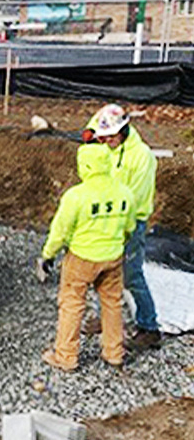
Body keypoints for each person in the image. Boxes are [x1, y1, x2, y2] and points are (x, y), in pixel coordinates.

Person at [37, 144, 137, 371]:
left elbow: (60, 231)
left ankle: (66, 356)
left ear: (85, 166)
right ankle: (114, 353)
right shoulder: (124, 193)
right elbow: (130, 227)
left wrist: (47, 254)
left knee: (72, 304)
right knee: (112, 304)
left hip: (81, 257)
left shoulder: (76, 196)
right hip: (113, 256)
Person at [82, 104, 161, 350]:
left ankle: (149, 328)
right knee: (100, 270)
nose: (105, 142)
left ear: (123, 131)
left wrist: (117, 228)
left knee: (131, 275)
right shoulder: (107, 143)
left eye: (109, 137)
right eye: (102, 137)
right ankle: (106, 317)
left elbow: (134, 200)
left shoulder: (141, 157)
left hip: (130, 222)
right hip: (105, 217)